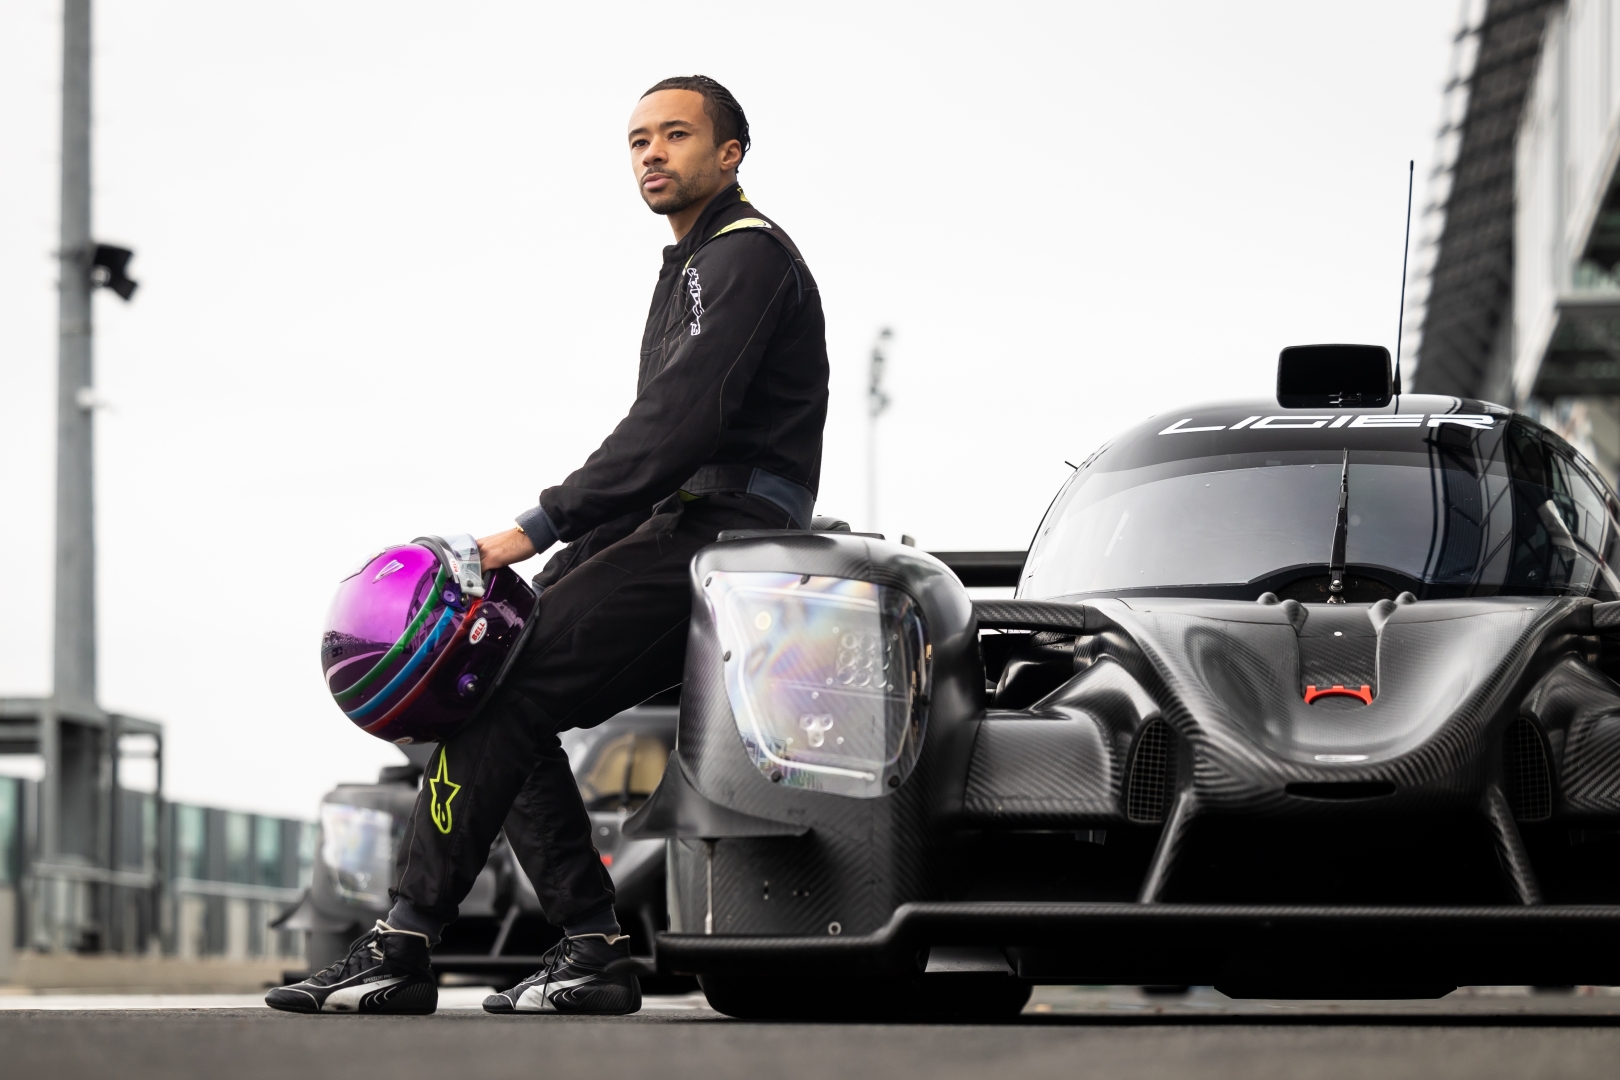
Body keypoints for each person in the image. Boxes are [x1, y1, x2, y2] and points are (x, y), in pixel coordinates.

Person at [267, 75, 828, 1016]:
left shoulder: (745, 255)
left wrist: (536, 529)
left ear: (729, 154)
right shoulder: (693, 264)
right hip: (684, 526)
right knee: (493, 682)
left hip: (729, 541)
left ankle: (410, 944)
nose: (652, 153)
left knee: (501, 687)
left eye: (676, 135)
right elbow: (665, 452)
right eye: (638, 140)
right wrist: (568, 559)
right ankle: (584, 950)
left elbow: (679, 425)